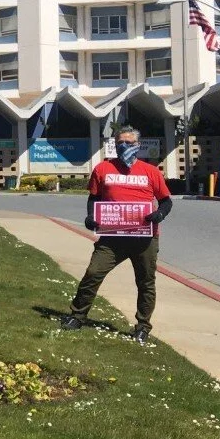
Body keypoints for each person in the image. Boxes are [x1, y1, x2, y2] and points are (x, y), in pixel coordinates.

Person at [60, 126, 172, 345]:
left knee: (146, 282)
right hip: (112, 238)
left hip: (144, 237)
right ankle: (77, 316)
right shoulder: (103, 168)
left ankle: (142, 327)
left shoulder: (151, 172)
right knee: (93, 273)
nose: (124, 147)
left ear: (138, 146)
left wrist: (159, 214)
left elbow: (166, 201)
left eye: (129, 143)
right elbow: (94, 197)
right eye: (120, 142)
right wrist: (90, 216)